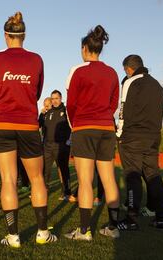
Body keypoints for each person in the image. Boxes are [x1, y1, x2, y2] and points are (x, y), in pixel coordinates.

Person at [0, 12, 57, 248]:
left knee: (8, 180)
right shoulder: (36, 59)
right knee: (37, 179)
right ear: (23, 35)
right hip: (27, 124)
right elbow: (37, 92)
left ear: (6, 35)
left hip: (2, 124)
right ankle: (42, 232)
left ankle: (13, 235)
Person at [64, 25, 120, 240]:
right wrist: (104, 116)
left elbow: (71, 105)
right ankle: (113, 228)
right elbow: (114, 103)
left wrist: (78, 122)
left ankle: (85, 231)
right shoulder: (112, 72)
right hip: (106, 128)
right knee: (108, 178)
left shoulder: (80, 72)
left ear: (85, 48)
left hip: (84, 128)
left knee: (85, 180)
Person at [116, 55, 163, 230]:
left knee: (132, 176)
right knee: (153, 174)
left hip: (133, 137)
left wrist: (119, 134)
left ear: (128, 69)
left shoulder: (131, 82)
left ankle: (131, 219)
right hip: (153, 136)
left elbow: (123, 110)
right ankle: (161, 217)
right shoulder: (157, 86)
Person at [42, 90, 72, 201]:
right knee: (45, 169)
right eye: (53, 98)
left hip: (62, 145)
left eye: (56, 98)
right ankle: (43, 189)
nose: (54, 101)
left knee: (63, 169)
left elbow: (72, 126)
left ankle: (66, 191)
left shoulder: (66, 111)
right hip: (48, 146)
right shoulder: (48, 112)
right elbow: (43, 127)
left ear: (61, 98)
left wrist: (69, 141)